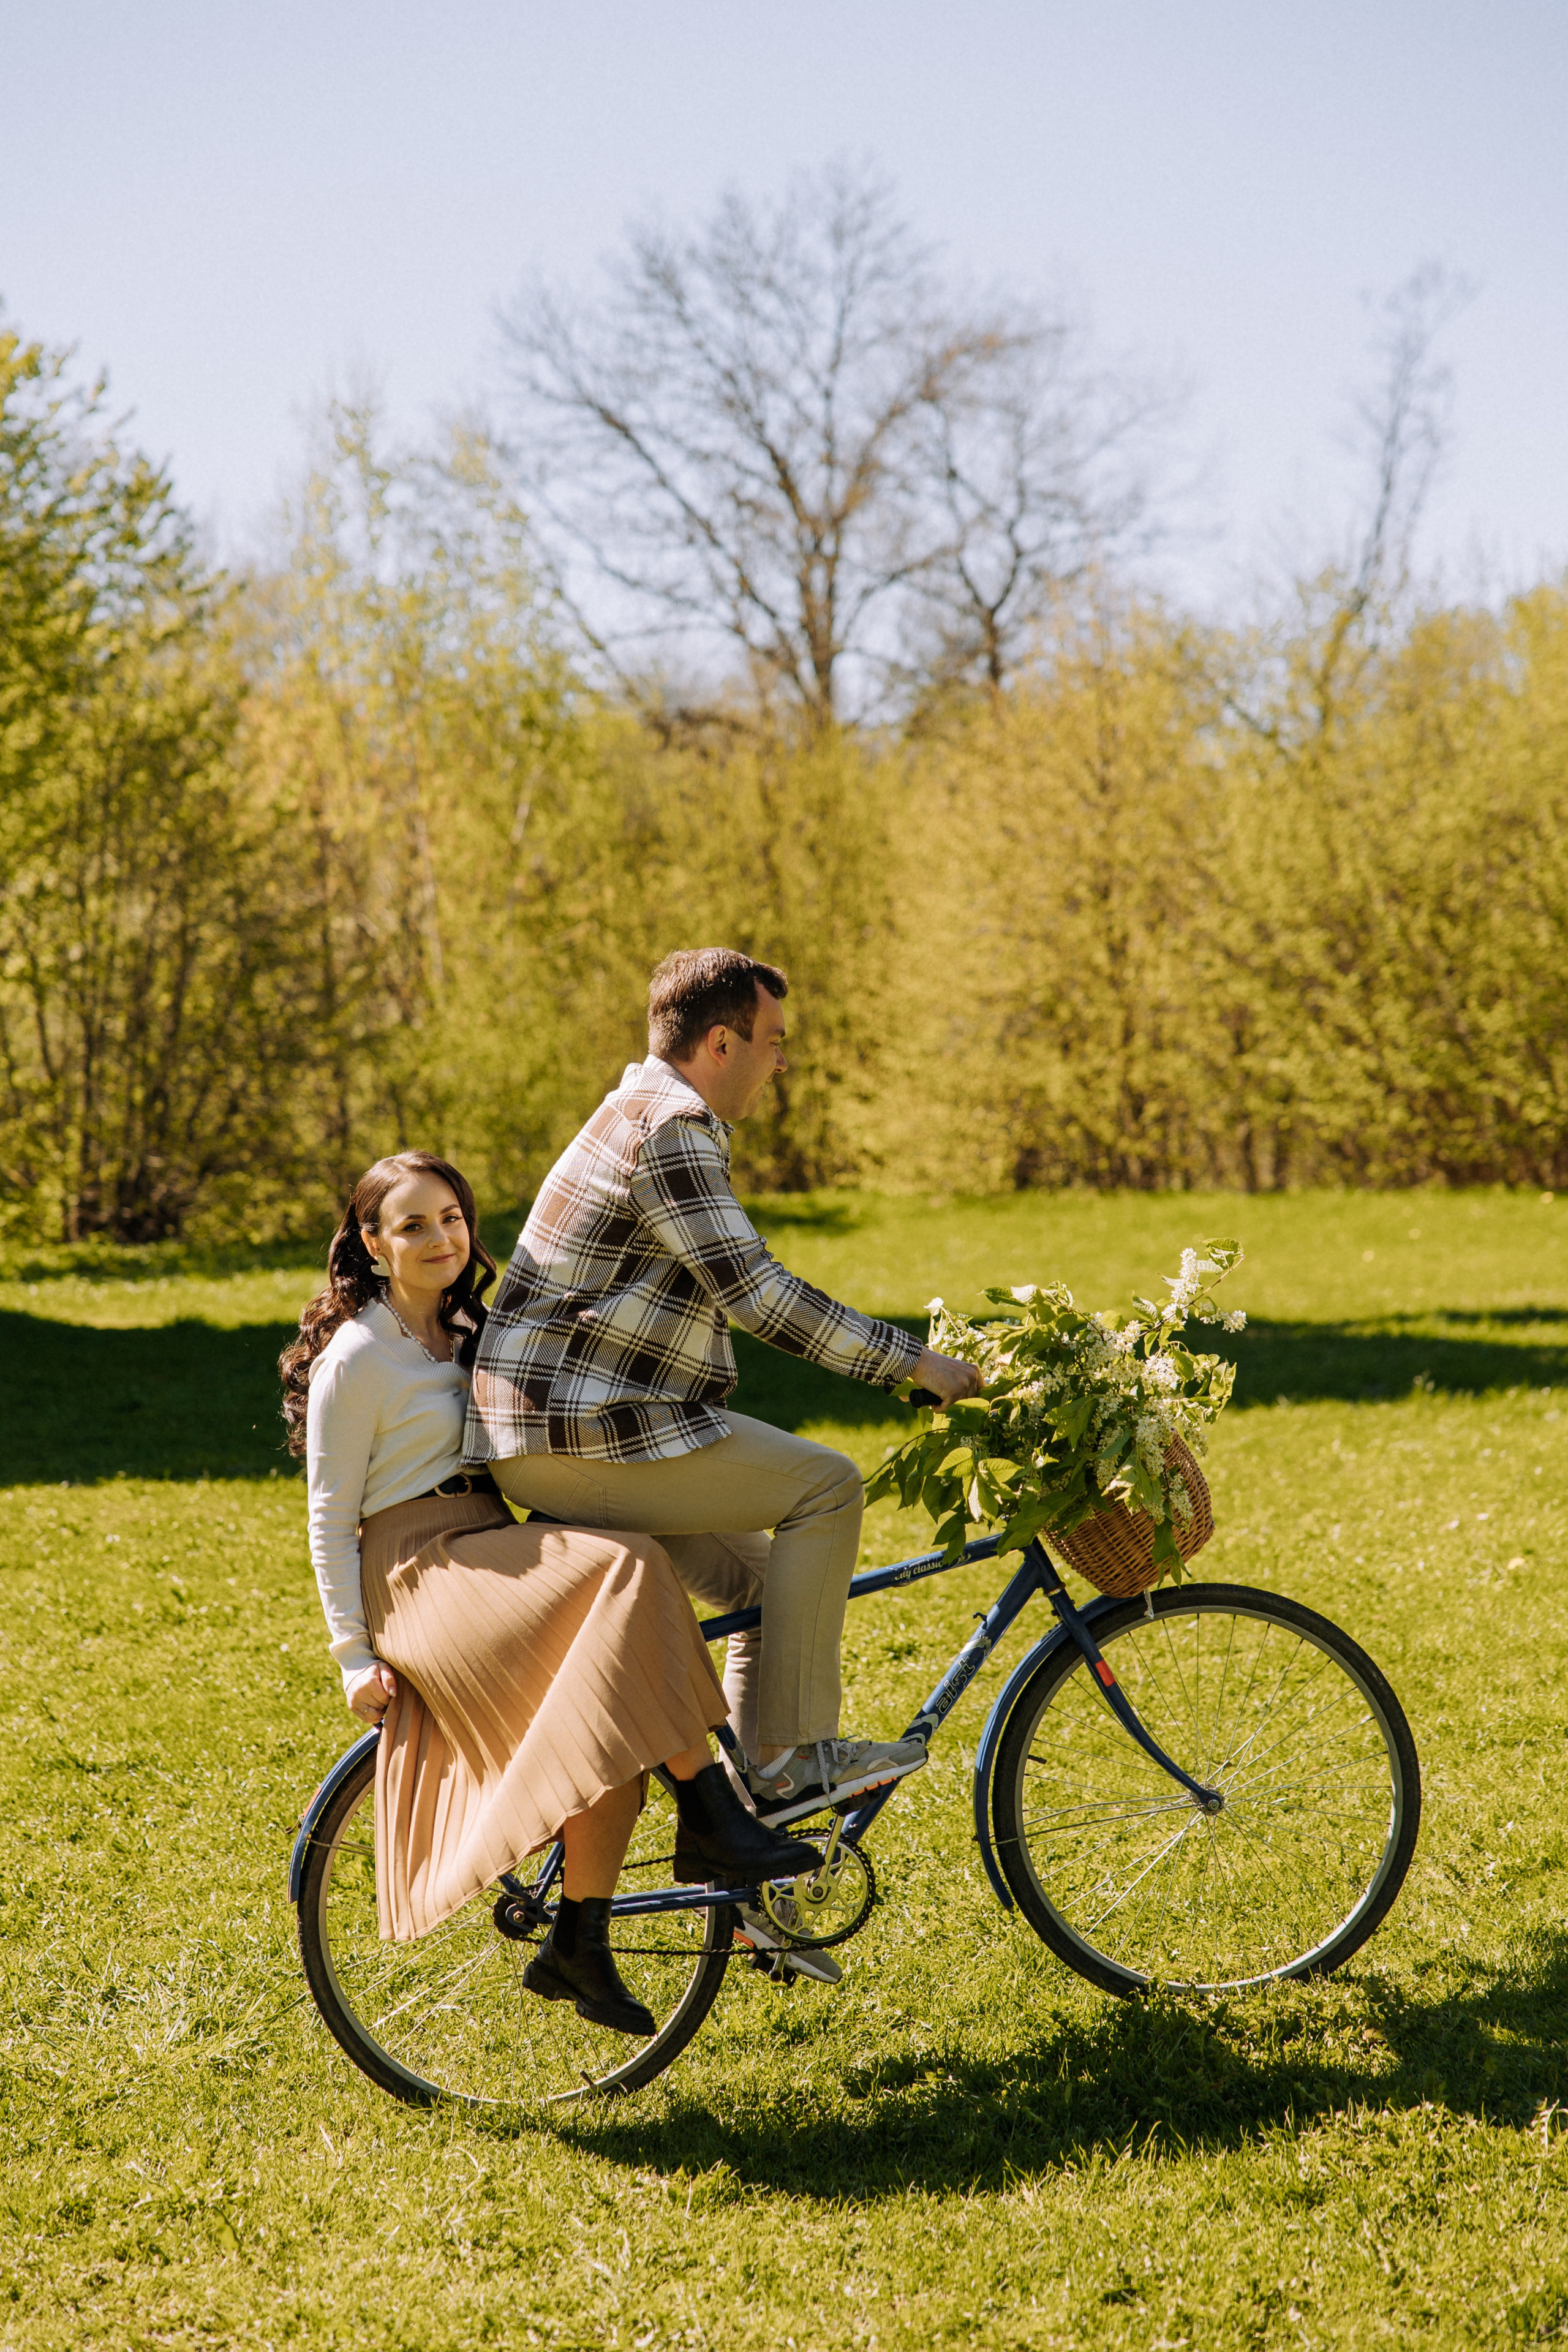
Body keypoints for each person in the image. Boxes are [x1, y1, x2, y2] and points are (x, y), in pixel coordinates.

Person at [282, 1149, 822, 2039]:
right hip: (419, 1573)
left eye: (451, 1218)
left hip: (492, 1540)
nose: (439, 1238)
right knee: (627, 1564)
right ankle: (709, 1806)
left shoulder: (469, 1330)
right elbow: (329, 1519)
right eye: (413, 1224)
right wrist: (352, 1655)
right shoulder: (359, 1356)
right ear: (373, 1244)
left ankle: (578, 1944)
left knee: (609, 1724)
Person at [462, 949, 984, 1831]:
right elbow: (757, 1293)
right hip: (579, 1433)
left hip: (578, 1427)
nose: (784, 1062)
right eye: (774, 1041)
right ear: (719, 1042)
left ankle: (752, 1858)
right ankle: (793, 1762)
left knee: (768, 1591)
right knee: (826, 1485)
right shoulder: (669, 1127)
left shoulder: (648, 1111)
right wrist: (913, 1364)